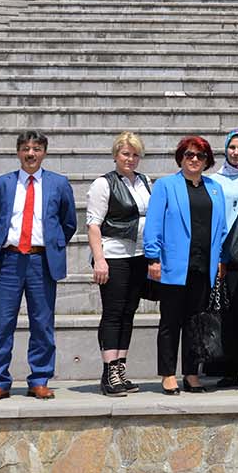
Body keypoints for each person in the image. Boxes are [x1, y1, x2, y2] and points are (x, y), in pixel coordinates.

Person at [0, 131, 78, 402]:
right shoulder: (1, 185)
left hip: (41, 261)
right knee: (2, 324)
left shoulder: (58, 183)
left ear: (44, 152)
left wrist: (52, 245)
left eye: (36, 149)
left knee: (42, 323)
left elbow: (69, 223)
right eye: (25, 148)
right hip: (9, 260)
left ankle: (40, 379)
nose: (31, 154)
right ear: (18, 152)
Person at [143, 135, 229, 395]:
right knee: (170, 322)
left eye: (200, 156)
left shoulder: (215, 188)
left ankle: (191, 373)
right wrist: (153, 258)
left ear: (207, 161)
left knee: (196, 322)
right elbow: (153, 224)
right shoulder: (166, 186)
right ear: (180, 157)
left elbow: (222, 229)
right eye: (189, 155)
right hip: (174, 267)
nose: (194, 160)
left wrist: (221, 260)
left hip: (204, 267)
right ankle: (168, 374)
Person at [86, 132, 152, 397]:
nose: (131, 159)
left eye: (135, 154)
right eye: (126, 154)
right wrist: (99, 259)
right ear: (116, 155)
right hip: (114, 255)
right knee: (113, 313)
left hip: (139, 255)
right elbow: (93, 224)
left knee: (129, 311)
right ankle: (108, 369)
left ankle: (120, 366)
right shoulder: (104, 183)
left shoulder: (145, 181)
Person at [209, 128, 238, 387]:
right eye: (232, 147)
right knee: (227, 313)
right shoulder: (214, 180)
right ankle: (230, 367)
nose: (236, 153)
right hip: (223, 253)